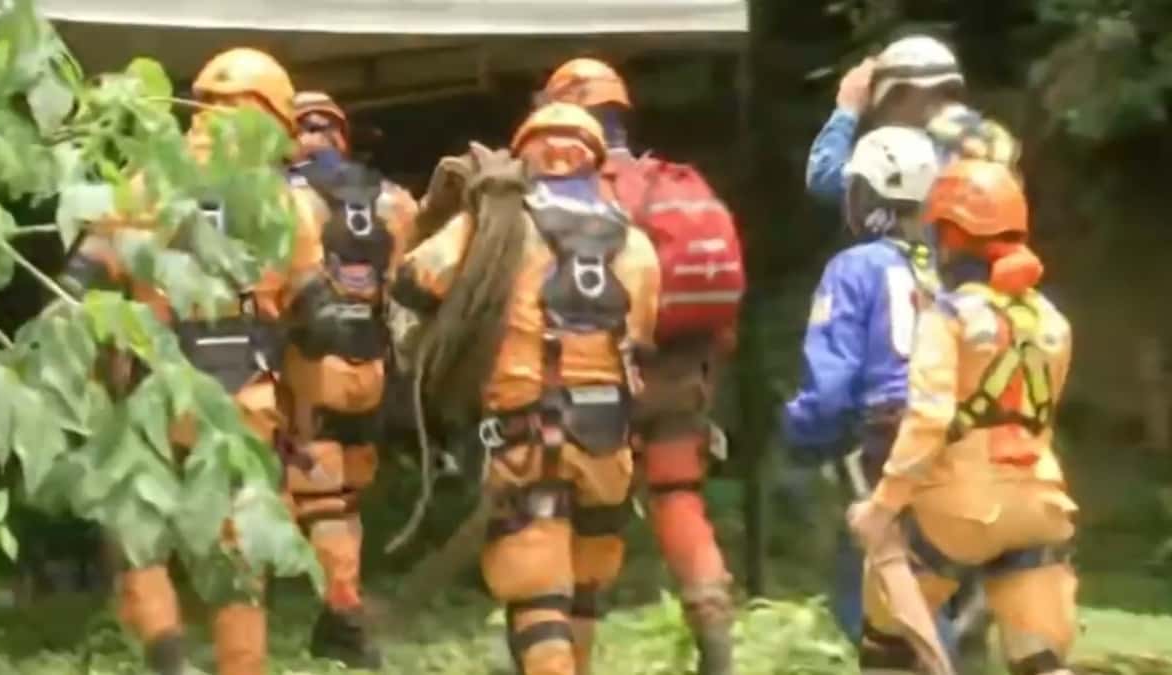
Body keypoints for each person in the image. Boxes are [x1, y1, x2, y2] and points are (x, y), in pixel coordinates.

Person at [59, 48, 326, 675]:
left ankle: (170, 659)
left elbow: (78, 283)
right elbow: (322, 315)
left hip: (155, 392)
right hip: (246, 399)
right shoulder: (287, 204)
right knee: (238, 552)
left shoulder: (147, 182)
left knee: (142, 538)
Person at [389, 102, 660, 675]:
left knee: (539, 601)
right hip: (609, 440)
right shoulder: (633, 242)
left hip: (524, 436)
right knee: (583, 594)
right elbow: (638, 336)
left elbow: (412, 284)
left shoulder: (498, 224)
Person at [539, 57, 744, 675]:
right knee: (679, 498)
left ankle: (570, 660)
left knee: (589, 521)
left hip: (606, 376)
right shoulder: (672, 181)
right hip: (683, 374)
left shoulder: (576, 197)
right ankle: (717, 646)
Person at [847, 159, 1077, 675]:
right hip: (1039, 503)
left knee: (887, 642)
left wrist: (881, 508)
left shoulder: (947, 317)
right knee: (1041, 661)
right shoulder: (1053, 323)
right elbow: (1040, 418)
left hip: (959, 509)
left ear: (950, 237)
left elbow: (928, 421)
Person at [782, 125, 941, 645]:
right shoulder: (950, 267)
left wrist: (800, 431)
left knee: (872, 591)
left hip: (886, 438)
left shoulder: (854, 267)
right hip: (960, 436)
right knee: (936, 577)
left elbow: (830, 387)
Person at [282, 91, 418, 669]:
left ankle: (342, 615)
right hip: (372, 364)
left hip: (308, 368)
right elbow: (407, 279)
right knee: (344, 495)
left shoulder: (280, 198)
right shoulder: (392, 200)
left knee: (317, 497)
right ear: (341, 132)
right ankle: (335, 615)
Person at [806, 34, 1018, 208]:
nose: (884, 121)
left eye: (887, 104)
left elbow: (824, 178)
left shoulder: (913, 157)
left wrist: (848, 108)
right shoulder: (991, 140)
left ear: (900, 93)